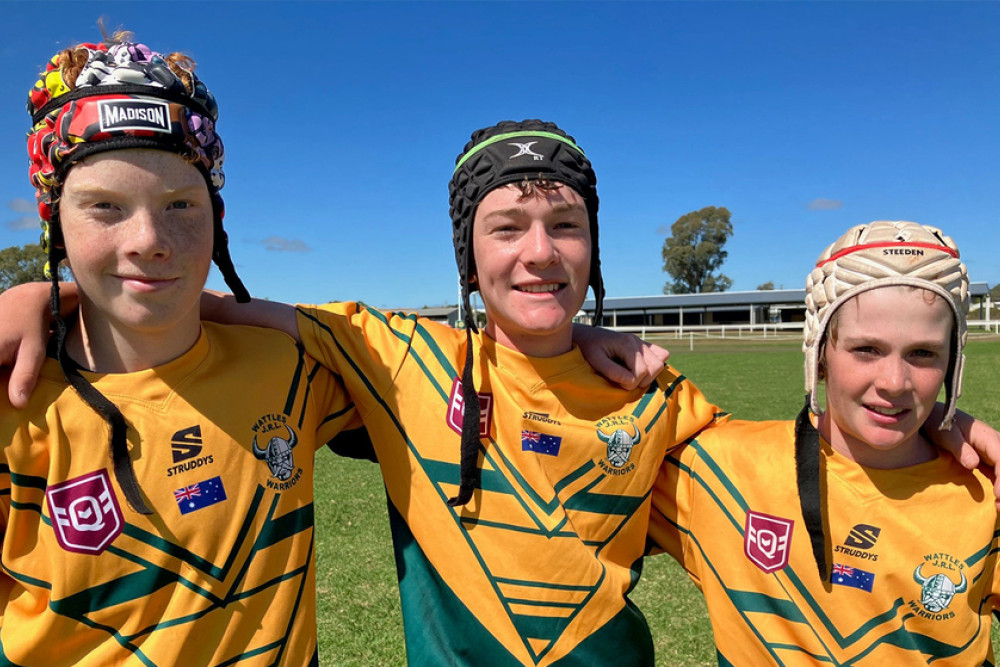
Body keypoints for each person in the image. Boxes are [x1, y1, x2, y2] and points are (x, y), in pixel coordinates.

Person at [3, 119, 998, 665]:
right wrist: (41, 291)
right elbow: (191, 303)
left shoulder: (659, 392)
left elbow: (819, 451)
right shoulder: (390, 354)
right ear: (465, 253)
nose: (538, 253)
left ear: (595, 245)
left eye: (564, 224)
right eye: (506, 226)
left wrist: (939, 411)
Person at [0, 33, 367, 665]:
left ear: (218, 218)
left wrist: (577, 333)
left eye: (181, 205)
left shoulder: (292, 371)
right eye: (105, 207)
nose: (150, 239)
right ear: (54, 219)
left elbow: (458, 361)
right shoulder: (12, 404)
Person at [650, 220, 999, 664]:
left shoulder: (985, 492)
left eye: (923, 353)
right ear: (818, 354)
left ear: (953, 363)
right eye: (867, 350)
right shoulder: (721, 469)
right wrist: (585, 333)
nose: (894, 382)